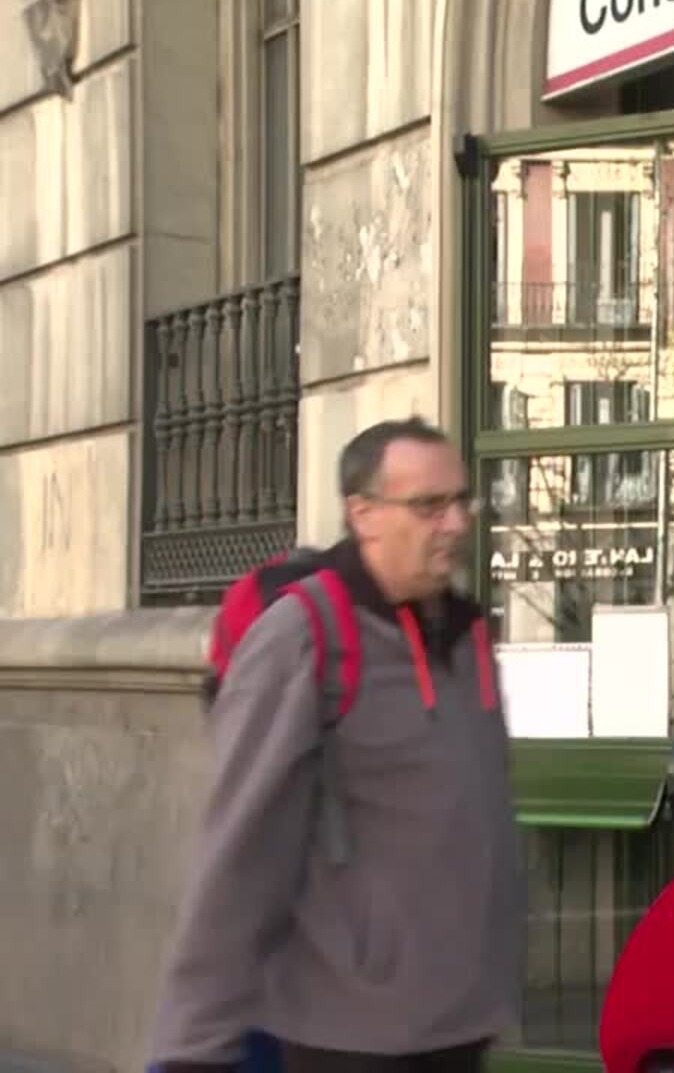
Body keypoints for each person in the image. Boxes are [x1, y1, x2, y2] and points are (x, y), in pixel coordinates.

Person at [149, 419, 524, 1073]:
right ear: (364, 514)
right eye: (429, 505)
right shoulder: (304, 634)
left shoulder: (467, 635)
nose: (456, 523)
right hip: (347, 1033)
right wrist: (193, 1049)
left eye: (462, 501)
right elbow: (240, 850)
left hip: (460, 1022)